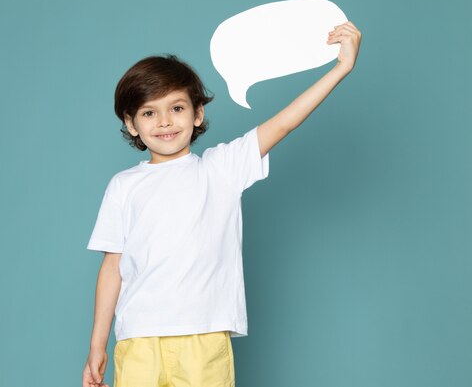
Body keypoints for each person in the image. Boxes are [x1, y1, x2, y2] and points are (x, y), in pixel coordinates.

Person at [82, 21, 362, 387]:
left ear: (197, 114)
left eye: (177, 108)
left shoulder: (221, 169)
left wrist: (341, 68)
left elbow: (283, 124)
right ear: (131, 123)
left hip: (204, 336)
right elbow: (112, 267)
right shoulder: (123, 186)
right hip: (138, 339)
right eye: (149, 112)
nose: (165, 121)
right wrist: (97, 343)